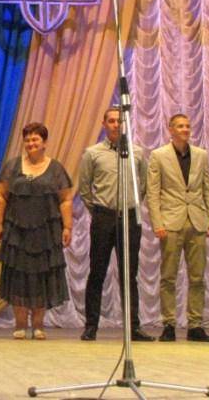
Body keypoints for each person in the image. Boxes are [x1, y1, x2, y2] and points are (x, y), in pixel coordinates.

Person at [78, 107, 155, 342]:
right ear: (104, 124)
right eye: (111, 121)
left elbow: (143, 185)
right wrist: (98, 211)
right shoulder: (92, 153)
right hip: (103, 217)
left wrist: (131, 205)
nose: (115, 125)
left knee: (129, 274)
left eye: (119, 121)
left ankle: (133, 327)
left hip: (129, 217)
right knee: (97, 273)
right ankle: (91, 326)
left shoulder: (137, 152)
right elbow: (85, 188)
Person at [0, 122, 73, 340]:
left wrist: (67, 227)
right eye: (27, 139)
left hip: (46, 232)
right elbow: (0, 195)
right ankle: (20, 324)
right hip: (16, 231)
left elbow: (66, 199)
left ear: (44, 143)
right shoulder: (12, 166)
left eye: (35, 139)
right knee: (18, 277)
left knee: (42, 278)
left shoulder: (56, 168)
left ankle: (38, 326)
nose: (31, 143)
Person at [146, 113, 209, 342]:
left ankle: (195, 325)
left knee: (197, 276)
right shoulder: (159, 155)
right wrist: (157, 222)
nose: (185, 129)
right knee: (168, 276)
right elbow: (153, 192)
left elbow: (208, 188)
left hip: (196, 220)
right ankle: (169, 324)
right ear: (171, 129)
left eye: (187, 125)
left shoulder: (201, 155)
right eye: (180, 126)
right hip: (170, 222)